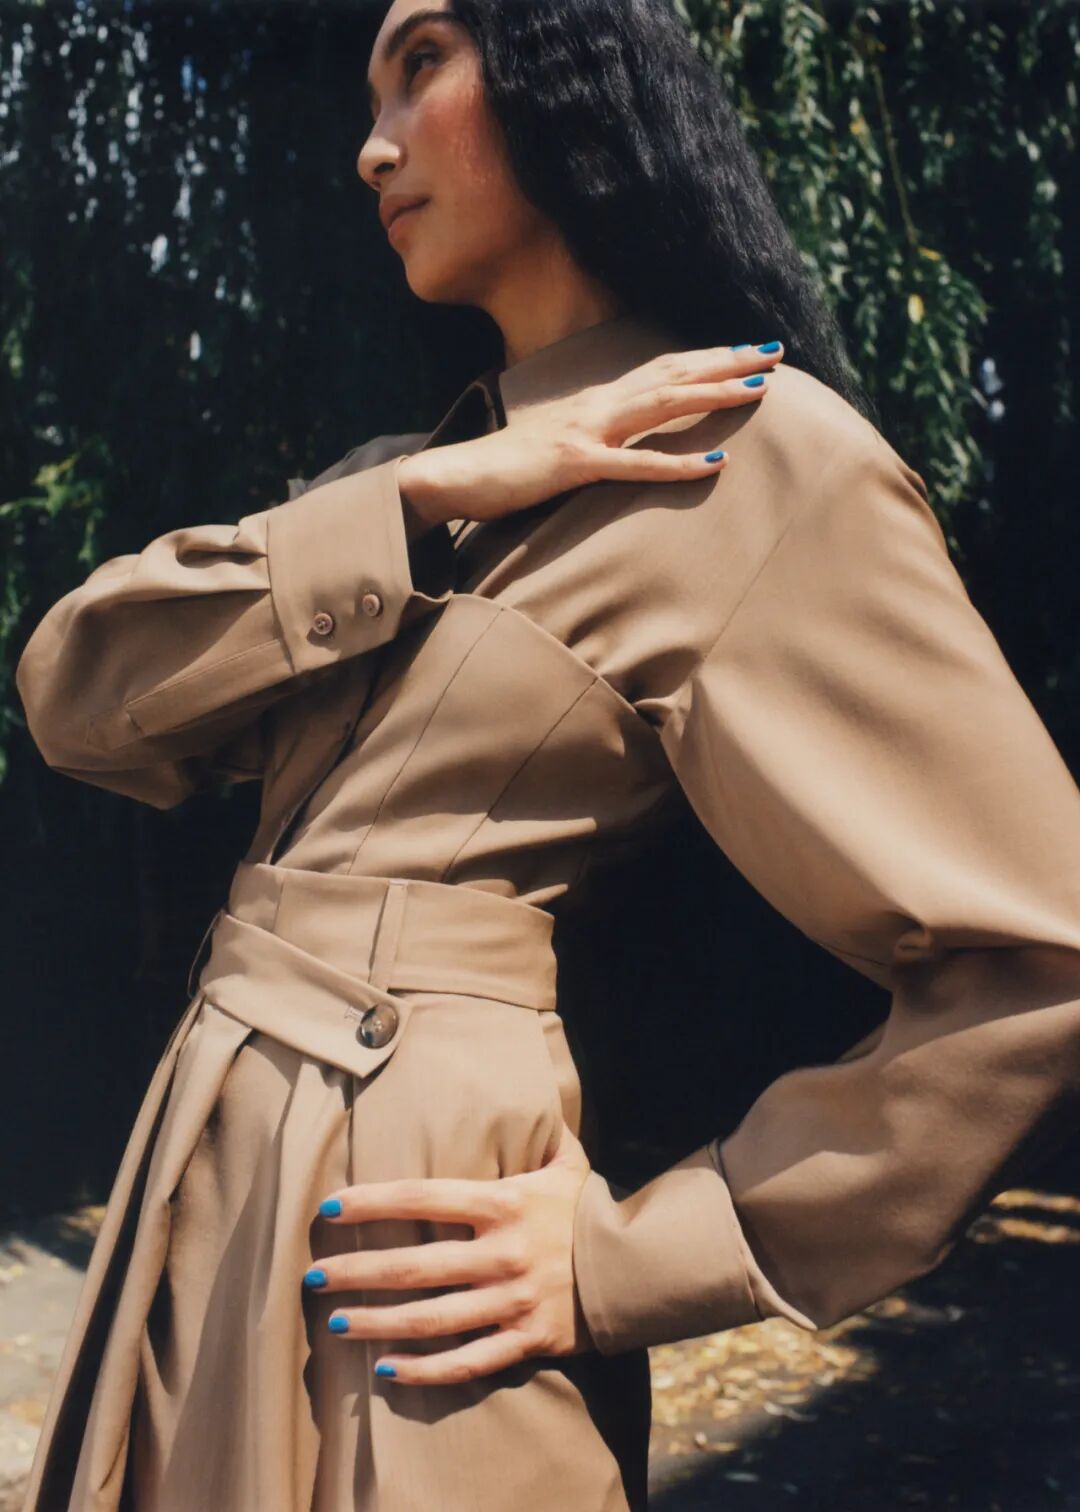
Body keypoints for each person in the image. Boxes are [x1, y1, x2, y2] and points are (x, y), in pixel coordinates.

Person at [15, 0, 1080, 1508]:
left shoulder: (756, 457)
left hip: (414, 1230)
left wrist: (639, 1256)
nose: (371, 145)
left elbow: (1042, 951)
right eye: (369, 93)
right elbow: (75, 696)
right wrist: (439, 489)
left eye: (423, 63)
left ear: (569, 75)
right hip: (205, 1167)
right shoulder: (397, 482)